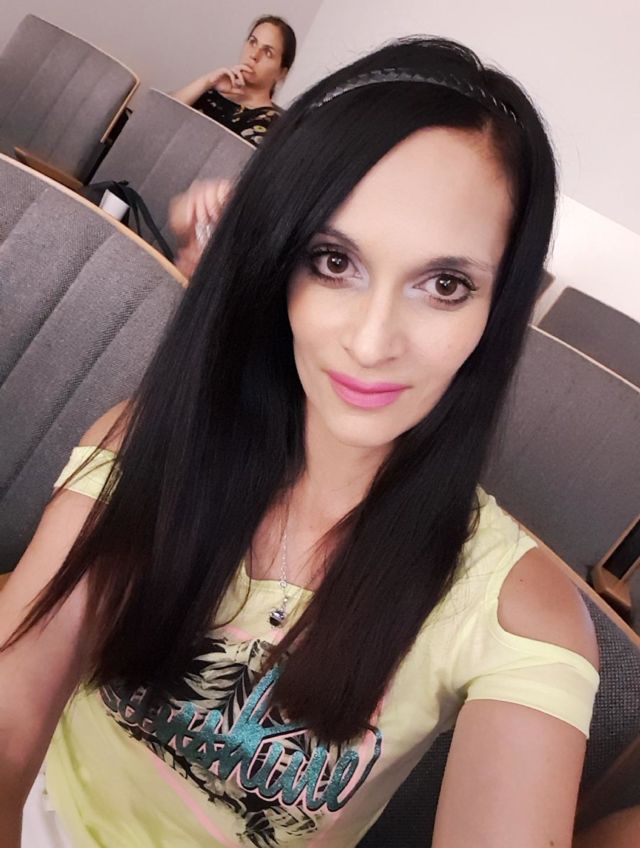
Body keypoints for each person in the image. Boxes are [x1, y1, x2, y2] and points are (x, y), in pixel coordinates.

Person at [1, 37, 602, 848]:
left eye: (445, 284)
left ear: (497, 310)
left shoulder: (521, 612)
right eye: (333, 260)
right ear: (277, 261)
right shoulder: (149, 441)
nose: (372, 341)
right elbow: (10, 726)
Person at [173, 15, 296, 146]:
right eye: (253, 42)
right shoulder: (212, 90)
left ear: (282, 73)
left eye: (268, 52)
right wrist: (207, 82)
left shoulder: (271, 124)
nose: (254, 55)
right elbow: (162, 114)